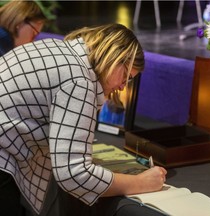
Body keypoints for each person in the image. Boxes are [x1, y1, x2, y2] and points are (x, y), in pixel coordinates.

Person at [0, 23, 167, 216]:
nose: (123, 87)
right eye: (126, 77)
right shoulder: (79, 80)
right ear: (115, 58)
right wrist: (140, 183)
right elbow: (73, 173)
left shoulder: (59, 50)